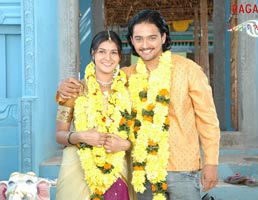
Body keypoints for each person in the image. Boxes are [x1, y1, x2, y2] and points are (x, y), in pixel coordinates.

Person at [57, 9, 220, 200]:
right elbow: (99, 84)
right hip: (142, 169)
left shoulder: (188, 70)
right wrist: (63, 88)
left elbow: (207, 119)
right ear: (132, 42)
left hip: (182, 167)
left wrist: (211, 163)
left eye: (151, 38)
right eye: (139, 39)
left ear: (163, 37)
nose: (145, 45)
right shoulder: (126, 76)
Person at [55, 30, 136, 200]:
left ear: (120, 57)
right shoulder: (74, 89)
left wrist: (126, 145)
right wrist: (81, 136)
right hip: (78, 168)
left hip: (117, 167)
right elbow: (59, 135)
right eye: (102, 51)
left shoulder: (129, 90)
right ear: (93, 54)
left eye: (113, 52)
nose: (108, 57)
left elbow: (139, 134)